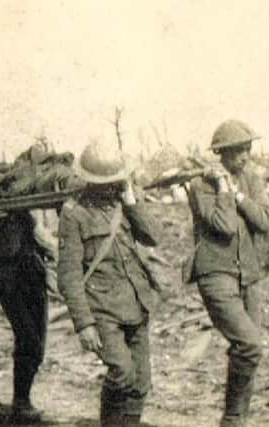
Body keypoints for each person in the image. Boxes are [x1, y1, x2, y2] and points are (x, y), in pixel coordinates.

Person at [57, 141, 160, 427]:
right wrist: (84, 323)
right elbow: (68, 275)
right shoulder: (74, 213)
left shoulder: (124, 203)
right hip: (101, 308)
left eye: (117, 179)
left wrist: (131, 202)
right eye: (107, 182)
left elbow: (153, 236)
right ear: (90, 182)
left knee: (141, 381)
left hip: (136, 302)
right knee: (123, 373)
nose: (113, 185)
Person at [188, 120, 269, 427]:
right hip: (216, 273)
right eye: (238, 151)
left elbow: (265, 220)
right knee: (249, 343)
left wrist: (238, 196)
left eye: (248, 149)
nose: (245, 156)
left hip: (248, 275)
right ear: (221, 153)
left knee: (251, 349)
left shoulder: (252, 178)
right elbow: (223, 226)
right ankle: (233, 420)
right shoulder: (201, 185)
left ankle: (238, 419)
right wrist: (224, 188)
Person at [0, 208, 57, 422]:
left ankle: (22, 400)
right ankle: (20, 402)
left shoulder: (29, 212)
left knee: (37, 345)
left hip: (33, 278)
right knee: (29, 341)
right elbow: (10, 248)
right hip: (12, 282)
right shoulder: (5, 215)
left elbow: (47, 244)